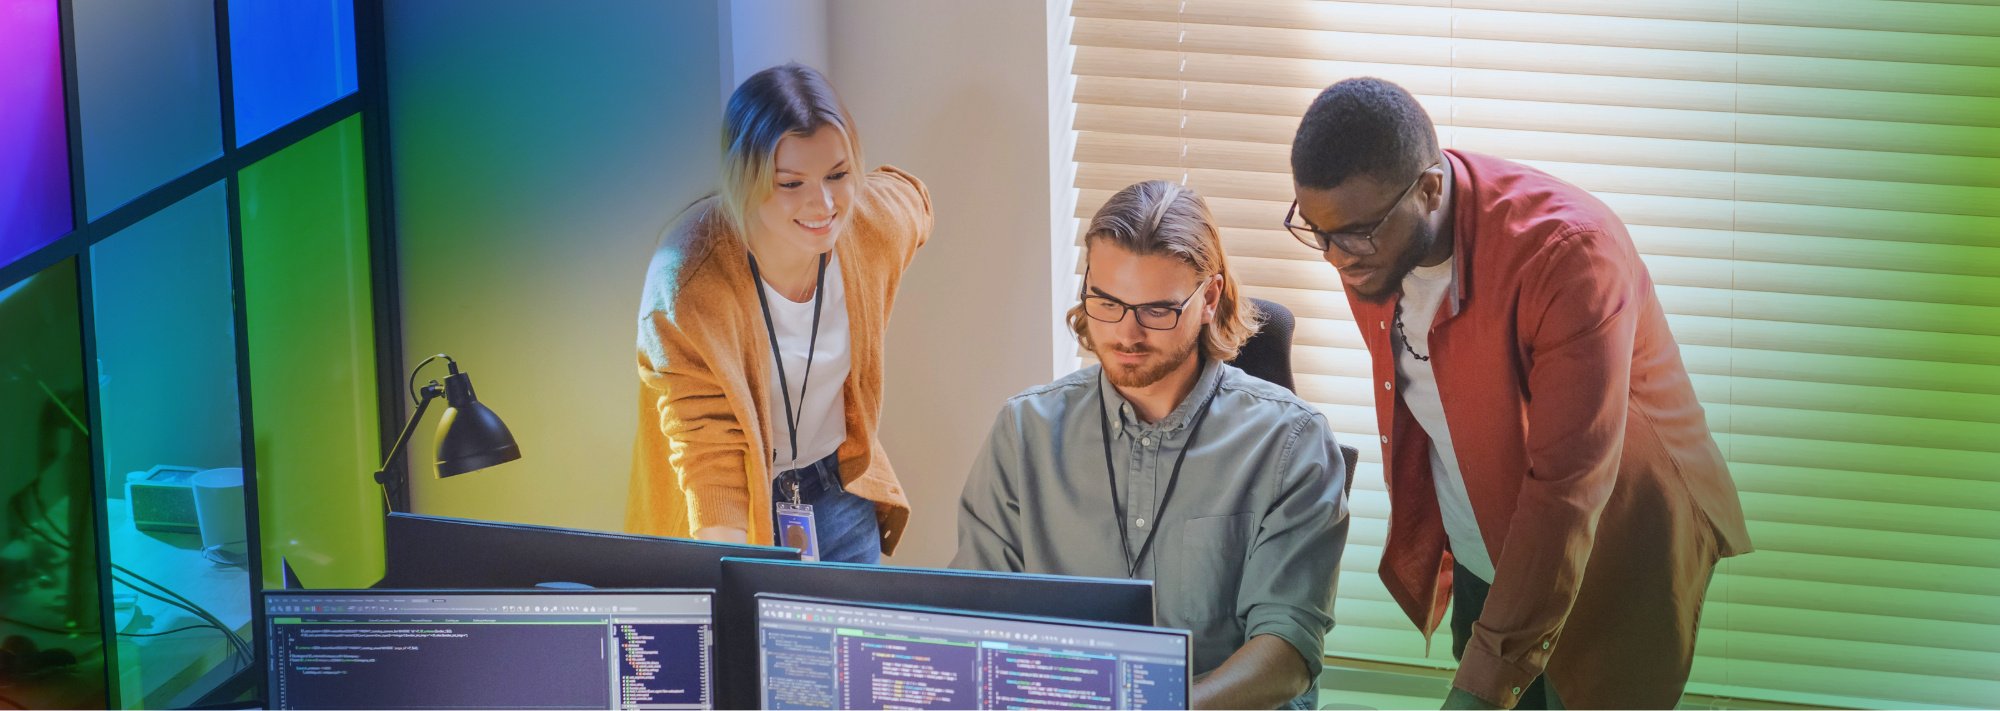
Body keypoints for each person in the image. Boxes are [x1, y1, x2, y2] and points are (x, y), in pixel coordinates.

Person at [1287, 77, 1753, 709]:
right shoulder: (1369, 236)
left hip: (1611, 550)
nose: (1335, 258)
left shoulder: (1570, 255)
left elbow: (1567, 485)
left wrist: (1481, 685)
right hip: (1487, 541)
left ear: (1428, 189)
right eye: (1315, 231)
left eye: (1355, 234)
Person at [952, 180, 1349, 710]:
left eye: (1157, 311)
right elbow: (976, 614)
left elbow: (1287, 650)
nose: (1126, 334)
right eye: (1107, 302)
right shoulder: (1025, 430)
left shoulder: (1291, 442)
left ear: (1209, 298)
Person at [626, 63, 931, 563]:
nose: (824, 203)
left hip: (839, 488)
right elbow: (708, 451)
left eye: (838, 174)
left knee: (858, 640)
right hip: (737, 503)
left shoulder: (870, 225)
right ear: (744, 178)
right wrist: (726, 575)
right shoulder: (687, 280)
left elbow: (913, 199)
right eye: (791, 183)